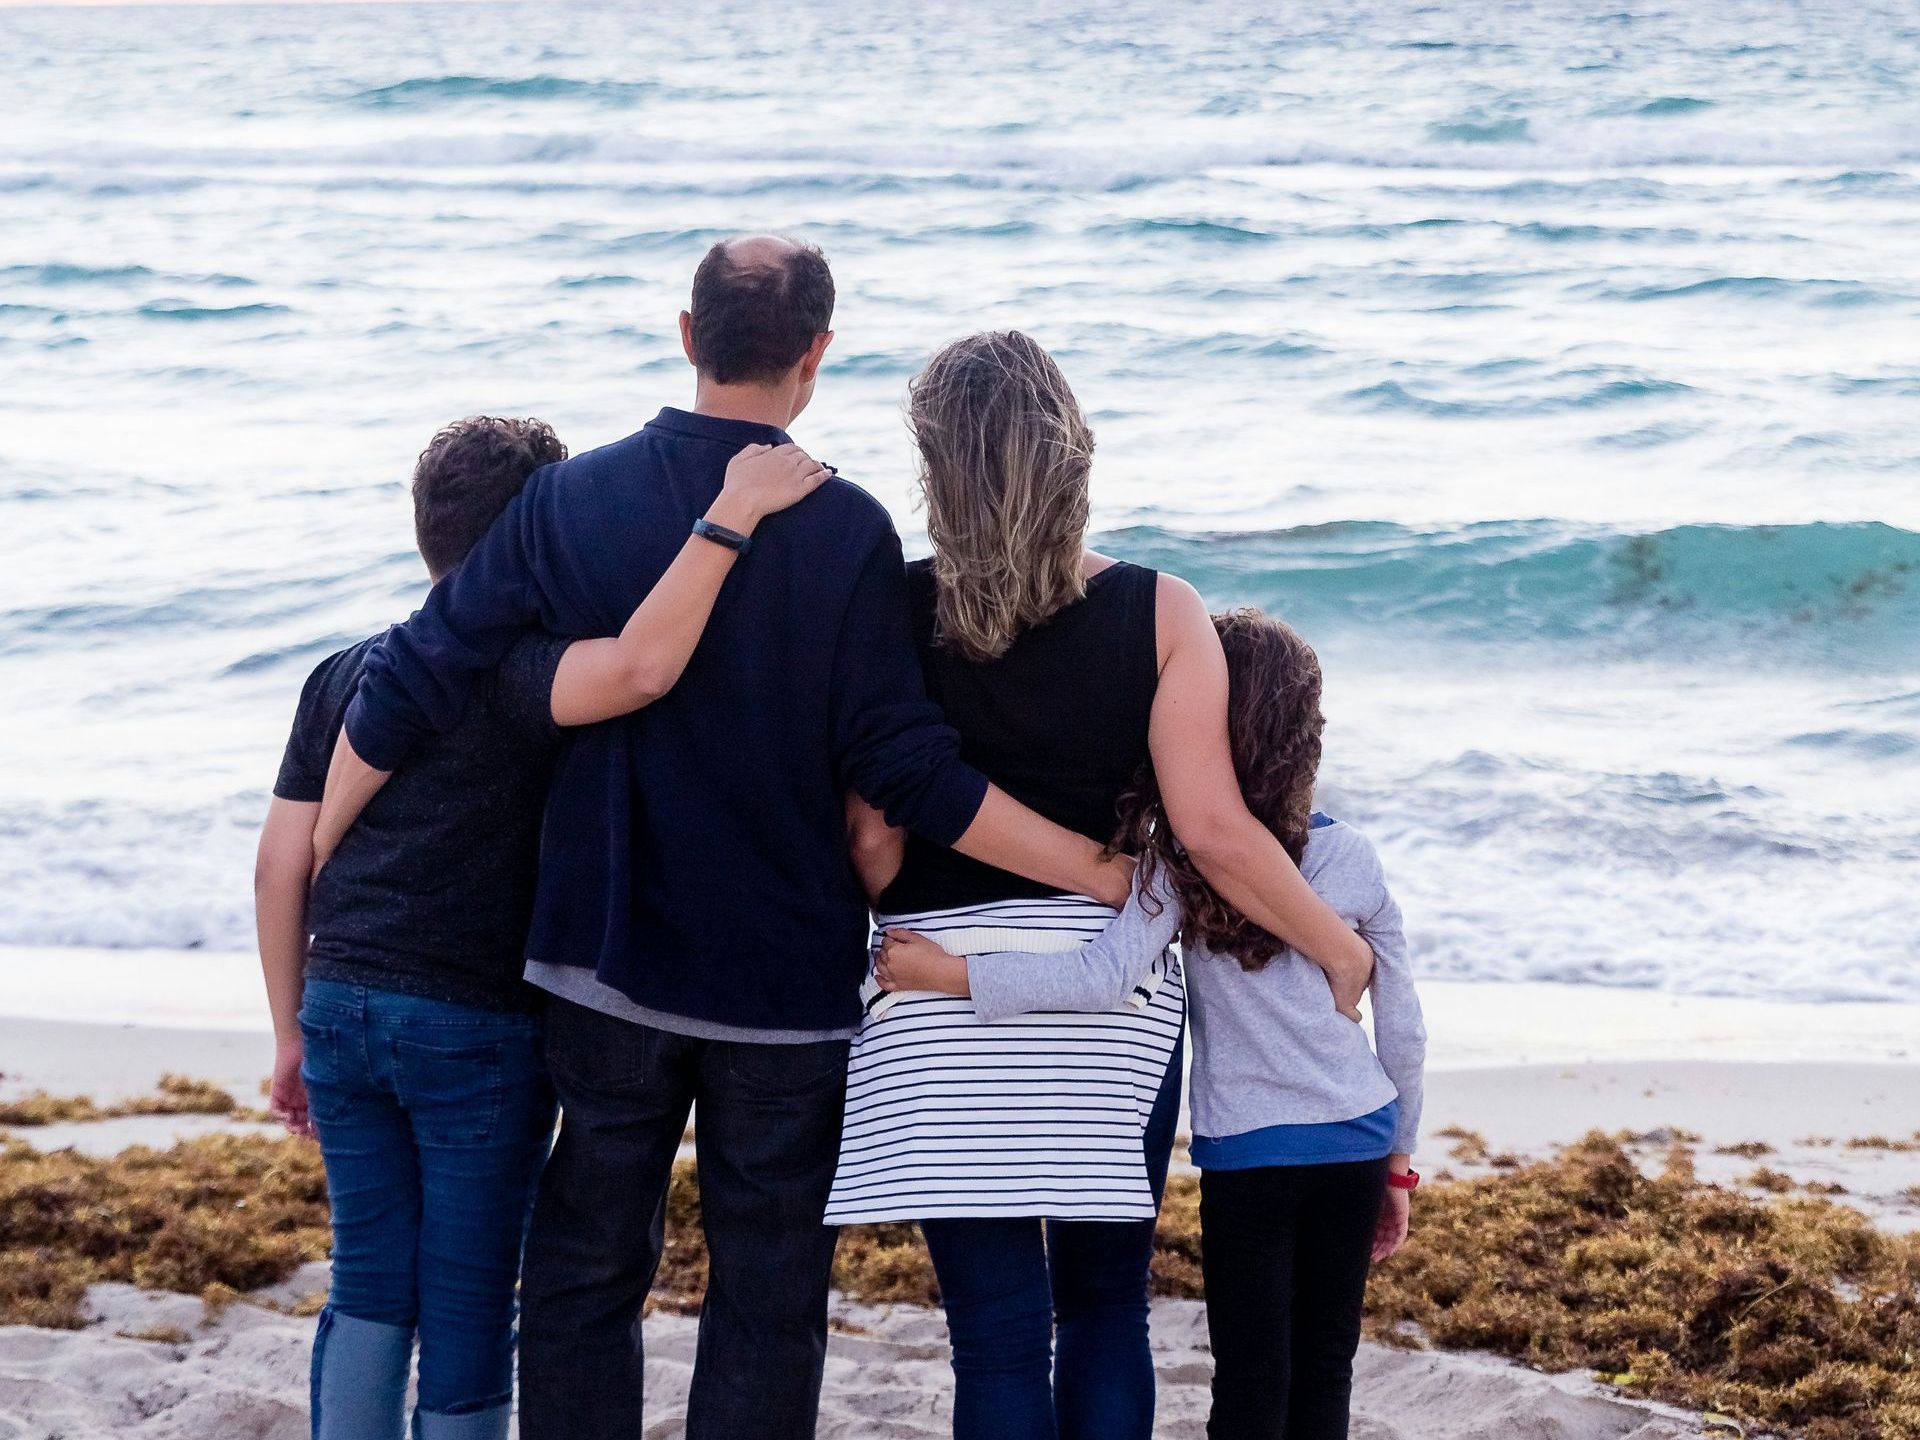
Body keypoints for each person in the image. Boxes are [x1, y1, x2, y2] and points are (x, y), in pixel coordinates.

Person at [310, 238, 1131, 1440]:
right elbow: (904, 765)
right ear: (816, 355)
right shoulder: (847, 529)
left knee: (587, 1272)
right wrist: (1095, 869)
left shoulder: (566, 499)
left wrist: (323, 843)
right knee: (767, 1290)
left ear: (687, 335)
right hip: (783, 985)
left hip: (600, 960)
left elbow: (420, 673)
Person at [821, 331, 1379, 1440]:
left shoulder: (888, 606)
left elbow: (873, 843)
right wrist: (1338, 946)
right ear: (1071, 453)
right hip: (1106, 1005)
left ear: (937, 470)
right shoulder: (1164, 610)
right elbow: (1214, 831)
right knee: (1105, 1311)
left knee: (993, 1338)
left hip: (940, 1001)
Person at [257, 419, 833, 1440]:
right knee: (473, 1296)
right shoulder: (526, 676)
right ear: (543, 532)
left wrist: (288, 1033)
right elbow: (646, 666)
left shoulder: (343, 672)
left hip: (339, 1006)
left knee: (371, 1281)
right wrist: (731, 514)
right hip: (473, 1028)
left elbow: (277, 866)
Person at [878, 609, 1428, 1440]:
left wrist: (947, 974)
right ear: (1304, 733)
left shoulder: (1179, 860)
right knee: (1327, 1365)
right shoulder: (1350, 857)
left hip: (1251, 1156)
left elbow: (1099, 978)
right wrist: (1399, 1162)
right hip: (1357, 1138)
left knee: (1250, 1375)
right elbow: (1405, 1027)